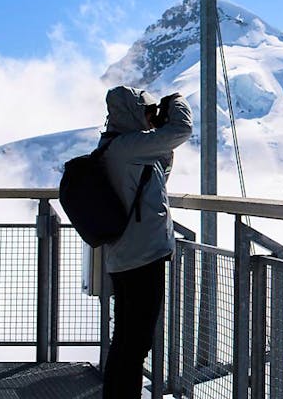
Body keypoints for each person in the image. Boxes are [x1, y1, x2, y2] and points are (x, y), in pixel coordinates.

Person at [99, 86, 192, 398]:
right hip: (140, 258)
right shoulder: (128, 146)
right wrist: (176, 103)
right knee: (134, 342)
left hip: (131, 255)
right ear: (132, 112)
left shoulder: (121, 146)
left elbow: (158, 174)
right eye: (147, 112)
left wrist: (158, 133)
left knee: (128, 339)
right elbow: (182, 129)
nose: (152, 118)